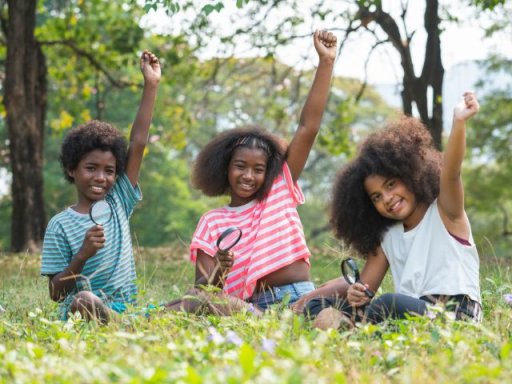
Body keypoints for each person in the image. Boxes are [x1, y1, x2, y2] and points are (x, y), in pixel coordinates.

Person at [165, 30, 337, 315]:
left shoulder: (279, 188)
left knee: (343, 284)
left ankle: (307, 315)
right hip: (247, 308)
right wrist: (221, 267)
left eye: (258, 169)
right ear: (225, 167)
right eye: (241, 166)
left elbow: (309, 127)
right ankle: (135, 319)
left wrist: (326, 63)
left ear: (269, 173)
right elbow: (206, 290)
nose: (249, 176)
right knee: (194, 298)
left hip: (298, 298)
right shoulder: (212, 221)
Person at [295, 92, 482, 329]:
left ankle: (355, 332)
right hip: (406, 316)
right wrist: (356, 293)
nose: (388, 199)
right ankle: (352, 331)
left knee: (389, 303)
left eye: (391, 185)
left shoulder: (446, 211)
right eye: (376, 197)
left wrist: (459, 122)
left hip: (453, 316)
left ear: (410, 173)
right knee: (317, 305)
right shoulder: (387, 236)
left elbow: (451, 173)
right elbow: (365, 289)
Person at [40, 50, 161, 323]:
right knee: (85, 300)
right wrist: (82, 255)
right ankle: (119, 325)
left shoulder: (119, 200)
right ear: (72, 169)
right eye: (91, 168)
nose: (101, 178)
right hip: (84, 308)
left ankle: (124, 323)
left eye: (109, 171)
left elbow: (139, 143)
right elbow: (56, 293)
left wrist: (151, 84)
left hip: (127, 310)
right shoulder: (60, 225)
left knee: (189, 301)